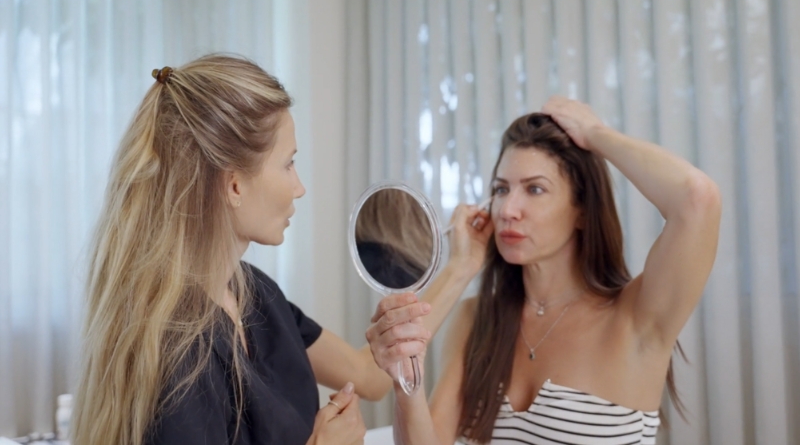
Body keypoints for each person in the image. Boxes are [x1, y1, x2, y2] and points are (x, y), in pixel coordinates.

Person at [70, 54, 486, 445]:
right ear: (234, 185)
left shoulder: (254, 293)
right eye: (288, 163)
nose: (299, 187)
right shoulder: (177, 349)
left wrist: (461, 267)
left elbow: (369, 376)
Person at [366, 97, 722, 444]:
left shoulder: (636, 317)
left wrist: (595, 134)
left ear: (583, 210)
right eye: (501, 189)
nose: (508, 209)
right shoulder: (476, 318)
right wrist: (406, 384)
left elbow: (697, 198)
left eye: (534, 189)